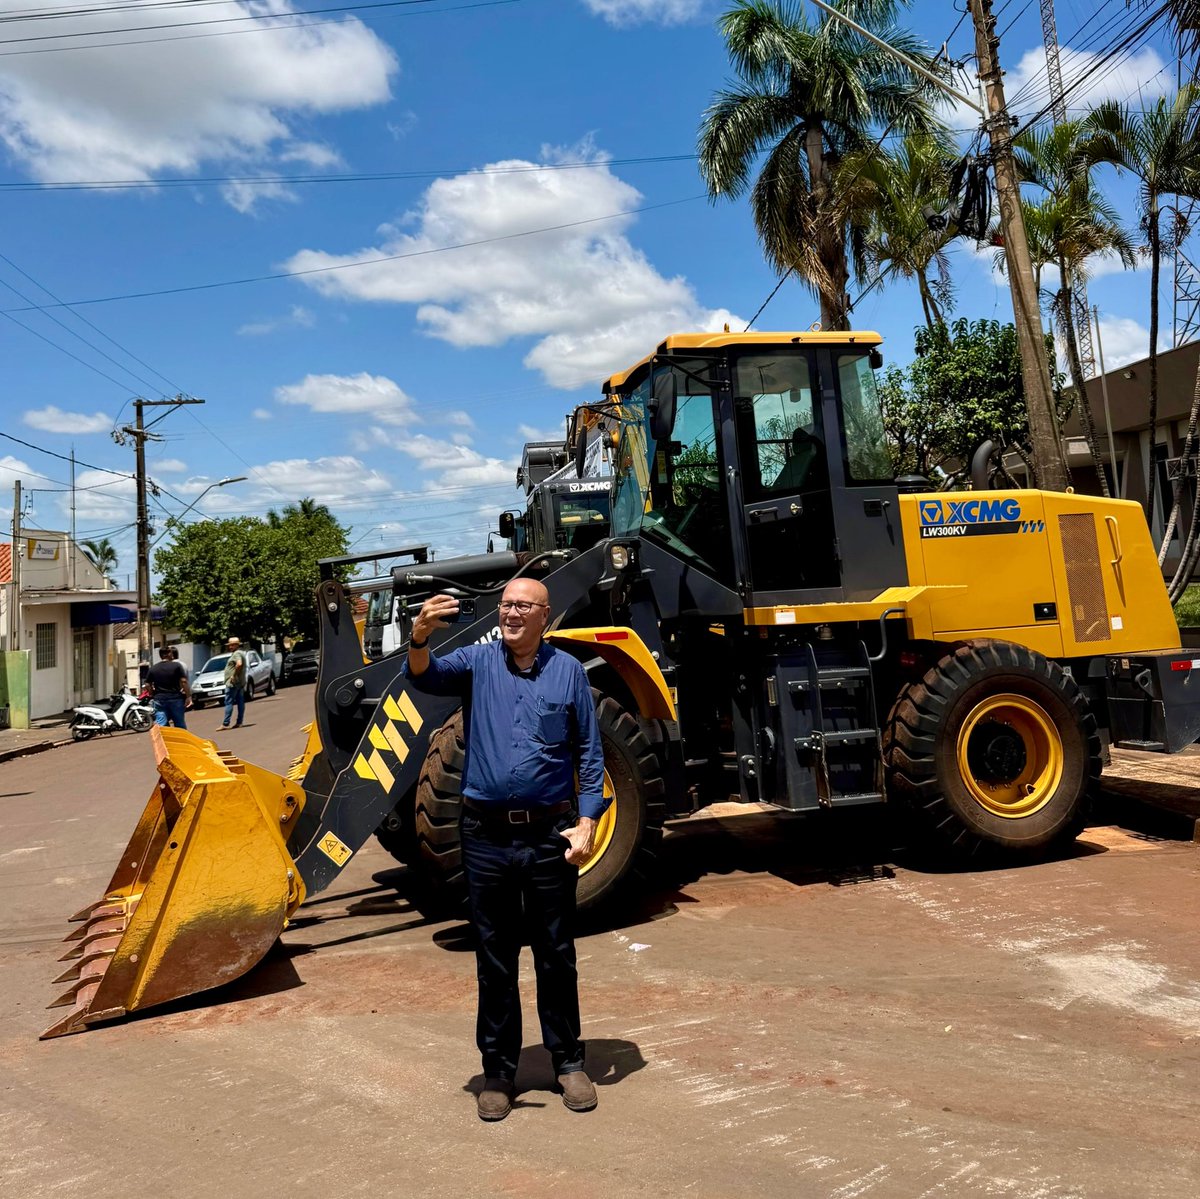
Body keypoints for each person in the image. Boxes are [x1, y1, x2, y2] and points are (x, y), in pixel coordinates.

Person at [405, 577, 606, 1122]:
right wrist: (419, 637)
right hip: (486, 835)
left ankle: (568, 1062)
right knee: (494, 958)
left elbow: (589, 753)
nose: (512, 612)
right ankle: (498, 1071)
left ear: (545, 615)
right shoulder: (478, 662)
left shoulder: (567, 673)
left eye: (523, 605)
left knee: (556, 953)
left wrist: (587, 821)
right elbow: (423, 675)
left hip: (548, 834)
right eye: (506, 604)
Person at [146, 645, 191, 728]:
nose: (172, 654)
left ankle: (161, 740)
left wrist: (152, 693)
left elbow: (147, 684)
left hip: (160, 699)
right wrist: (188, 696)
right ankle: (180, 740)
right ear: (168, 654)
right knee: (179, 724)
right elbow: (184, 681)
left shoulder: (153, 669)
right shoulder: (176, 666)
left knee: (161, 724)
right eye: (171, 652)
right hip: (175, 698)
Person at [222, 636, 248, 729]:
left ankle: (225, 723)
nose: (230, 647)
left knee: (228, 702)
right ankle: (239, 722)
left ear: (237, 645)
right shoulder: (241, 653)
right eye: (230, 645)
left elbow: (239, 664)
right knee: (240, 702)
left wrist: (233, 675)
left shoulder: (236, 653)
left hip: (233, 683)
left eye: (232, 645)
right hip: (240, 682)